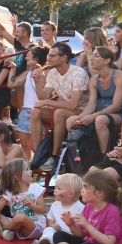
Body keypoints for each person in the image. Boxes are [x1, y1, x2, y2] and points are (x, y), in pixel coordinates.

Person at [53, 169, 122, 244]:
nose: (81, 190)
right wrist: (71, 224)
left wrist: (87, 225)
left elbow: (109, 243)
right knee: (59, 235)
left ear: (99, 193)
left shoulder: (112, 211)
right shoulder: (89, 207)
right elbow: (81, 235)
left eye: (85, 187)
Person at [65, 47, 122, 156]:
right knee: (71, 120)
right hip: (104, 113)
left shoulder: (120, 76)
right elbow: (91, 104)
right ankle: (78, 158)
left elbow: (116, 105)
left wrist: (93, 116)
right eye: (92, 55)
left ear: (107, 60)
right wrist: (81, 117)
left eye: (96, 56)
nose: (91, 59)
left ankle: (104, 156)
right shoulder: (94, 79)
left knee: (100, 120)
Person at [31, 42, 90, 171]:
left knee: (59, 113)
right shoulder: (52, 73)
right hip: (63, 109)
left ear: (63, 58)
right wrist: (38, 82)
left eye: (52, 56)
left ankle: (54, 155)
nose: (48, 58)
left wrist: (48, 103)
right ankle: (38, 154)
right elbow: (43, 97)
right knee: (35, 111)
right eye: (48, 56)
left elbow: (73, 104)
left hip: (82, 111)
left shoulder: (78, 73)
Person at [0, 158, 47, 242]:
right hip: (15, 225)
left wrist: (31, 205)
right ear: (17, 176)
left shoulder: (36, 188)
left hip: (34, 226)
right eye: (27, 170)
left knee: (20, 218)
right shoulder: (9, 192)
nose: (31, 171)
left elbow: (42, 210)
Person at [31, 173, 85, 244]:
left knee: (59, 237)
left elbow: (82, 232)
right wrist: (53, 225)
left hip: (71, 236)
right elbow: (50, 219)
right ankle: (44, 242)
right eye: (55, 187)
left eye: (59, 189)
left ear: (71, 194)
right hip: (57, 232)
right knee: (48, 229)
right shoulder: (55, 205)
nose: (54, 190)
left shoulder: (81, 208)